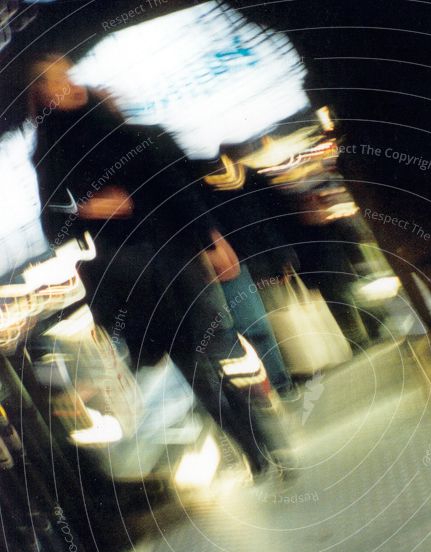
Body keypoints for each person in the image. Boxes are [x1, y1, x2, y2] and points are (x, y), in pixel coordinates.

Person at [27, 53, 292, 475]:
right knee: (191, 361)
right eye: (51, 79)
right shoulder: (49, 152)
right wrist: (88, 208)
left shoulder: (121, 128)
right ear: (41, 95)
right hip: (129, 272)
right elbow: (52, 218)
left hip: (174, 252)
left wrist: (211, 239)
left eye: (65, 71)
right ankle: (254, 451)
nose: (65, 82)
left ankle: (263, 440)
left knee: (214, 343)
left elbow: (173, 187)